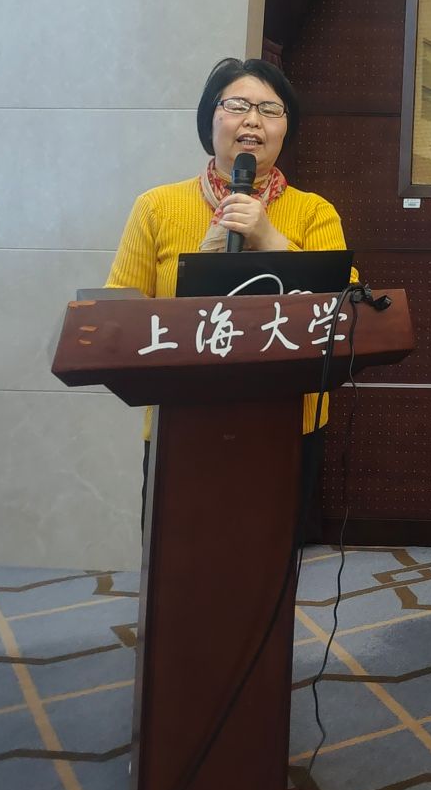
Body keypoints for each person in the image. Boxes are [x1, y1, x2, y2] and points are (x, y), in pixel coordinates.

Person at [104, 58, 357, 529]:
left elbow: (347, 309)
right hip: (183, 419)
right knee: (179, 552)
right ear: (210, 118)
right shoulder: (157, 207)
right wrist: (201, 263)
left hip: (289, 422)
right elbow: (118, 317)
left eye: (270, 109)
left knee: (268, 550)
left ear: (285, 128)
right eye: (237, 105)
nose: (253, 121)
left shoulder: (314, 212)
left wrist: (271, 240)